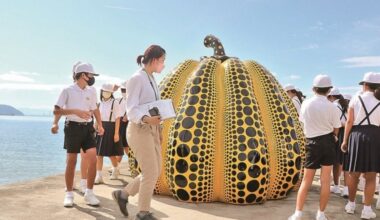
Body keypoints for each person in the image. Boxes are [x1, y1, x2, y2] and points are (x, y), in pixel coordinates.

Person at [112, 45, 166, 220]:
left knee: (155, 171)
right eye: (163, 61)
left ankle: (123, 194)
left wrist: (159, 127)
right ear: (155, 60)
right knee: (150, 171)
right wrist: (147, 120)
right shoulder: (136, 79)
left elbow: (153, 106)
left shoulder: (151, 78)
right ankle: (143, 213)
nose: (164, 65)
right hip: (139, 130)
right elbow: (131, 109)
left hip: (153, 129)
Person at [288, 75, 341, 220]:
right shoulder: (333, 107)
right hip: (328, 142)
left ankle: (298, 213)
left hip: (311, 142)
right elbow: (336, 128)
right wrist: (334, 137)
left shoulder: (306, 104)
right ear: (329, 90)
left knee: (306, 180)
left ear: (313, 88)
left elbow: (302, 122)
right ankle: (321, 214)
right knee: (325, 181)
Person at [53, 62, 104, 207]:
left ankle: (89, 193)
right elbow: (57, 111)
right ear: (83, 75)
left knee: (93, 158)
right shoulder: (67, 90)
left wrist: (100, 125)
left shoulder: (92, 91)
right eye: (91, 75)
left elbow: (95, 109)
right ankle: (69, 194)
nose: (93, 77)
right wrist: (73, 112)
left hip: (88, 128)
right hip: (72, 128)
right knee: (72, 160)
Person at [341, 72, 380, 219]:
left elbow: (349, 122)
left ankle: (351, 205)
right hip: (375, 136)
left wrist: (345, 141)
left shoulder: (355, 98)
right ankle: (367, 210)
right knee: (371, 176)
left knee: (353, 174)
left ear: (365, 84)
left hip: (356, 135)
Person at [95, 83, 123, 183]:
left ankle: (116, 169)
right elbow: (97, 117)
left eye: (108, 92)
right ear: (101, 92)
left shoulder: (114, 102)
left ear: (111, 93)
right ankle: (99, 176)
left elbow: (118, 118)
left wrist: (116, 133)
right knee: (98, 154)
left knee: (111, 154)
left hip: (111, 128)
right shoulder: (99, 103)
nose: (106, 93)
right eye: (104, 91)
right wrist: (96, 127)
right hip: (100, 128)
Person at [327, 87, 349, 197]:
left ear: (331, 96)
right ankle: (346, 188)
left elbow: (335, 123)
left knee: (337, 163)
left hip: (338, 133)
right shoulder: (345, 104)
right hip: (348, 133)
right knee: (346, 163)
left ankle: (336, 187)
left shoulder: (333, 106)